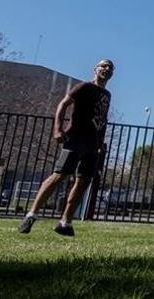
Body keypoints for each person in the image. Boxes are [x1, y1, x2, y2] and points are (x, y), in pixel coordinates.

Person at [17, 59, 114, 236]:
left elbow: (102, 118)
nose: (107, 69)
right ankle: (31, 214)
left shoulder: (107, 95)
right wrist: (58, 129)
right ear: (95, 69)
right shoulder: (84, 87)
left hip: (92, 143)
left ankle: (65, 222)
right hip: (76, 137)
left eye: (110, 68)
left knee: (83, 181)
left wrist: (101, 142)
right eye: (103, 66)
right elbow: (63, 104)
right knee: (60, 174)